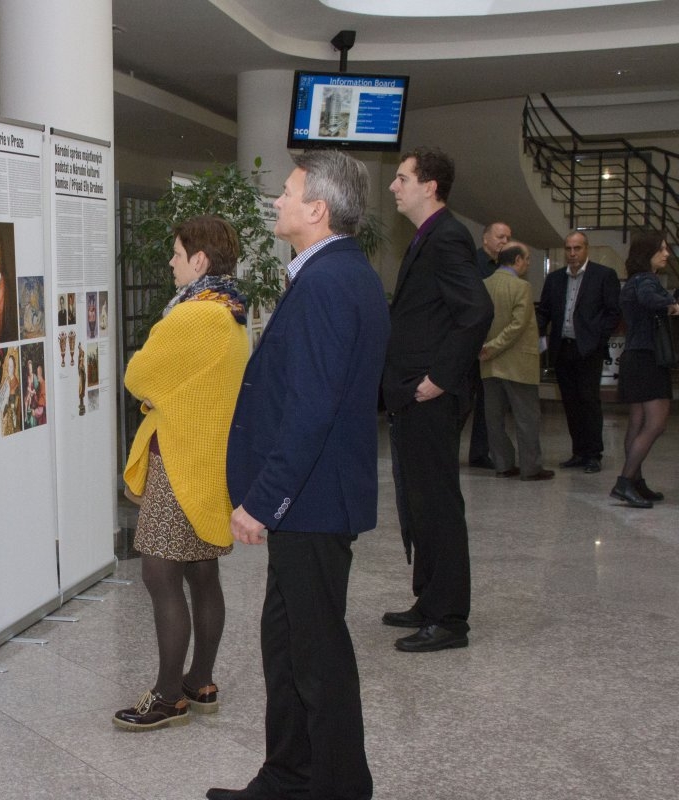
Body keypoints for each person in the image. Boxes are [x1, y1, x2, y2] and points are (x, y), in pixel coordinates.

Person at [209, 150, 387, 800]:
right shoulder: (330, 274)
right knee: (285, 646)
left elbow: (312, 406)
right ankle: (287, 776)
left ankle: (339, 788)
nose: (277, 202)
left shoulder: (330, 282)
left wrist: (263, 500)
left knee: (317, 657)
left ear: (316, 208)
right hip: (309, 503)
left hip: (309, 503)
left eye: (286, 193)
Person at [115, 215, 249, 732]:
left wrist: (157, 391)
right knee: (202, 571)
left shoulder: (195, 316)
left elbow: (138, 374)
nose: (170, 263)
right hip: (211, 460)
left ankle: (169, 695)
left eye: (175, 254)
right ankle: (201, 680)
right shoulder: (232, 310)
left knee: (160, 573)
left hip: (179, 459)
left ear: (199, 261)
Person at [382, 146, 493, 653]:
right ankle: (428, 600)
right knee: (420, 501)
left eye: (402, 178)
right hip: (412, 394)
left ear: (430, 186)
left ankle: (449, 618)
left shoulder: (447, 237)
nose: (394, 187)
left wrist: (438, 380)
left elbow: (476, 312)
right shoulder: (428, 237)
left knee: (439, 504)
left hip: (429, 395)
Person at [537, 231, 621, 473]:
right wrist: (536, 330)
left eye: (577, 249)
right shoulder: (554, 279)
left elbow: (613, 313)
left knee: (589, 400)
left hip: (588, 349)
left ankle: (593, 454)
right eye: (568, 249)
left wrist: (596, 338)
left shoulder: (603, 276)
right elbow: (544, 310)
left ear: (587, 250)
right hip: (562, 349)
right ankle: (578, 452)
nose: (572, 254)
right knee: (571, 402)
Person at [612, 231, 679, 507]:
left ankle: (636, 482)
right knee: (656, 423)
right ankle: (625, 481)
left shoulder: (635, 281)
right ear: (647, 252)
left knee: (638, 422)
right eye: (662, 249)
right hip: (648, 359)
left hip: (636, 357)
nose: (667, 254)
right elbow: (652, 301)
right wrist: (674, 306)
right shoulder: (646, 280)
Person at [480, 242, 553, 481]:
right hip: (517, 364)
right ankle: (530, 468)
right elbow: (518, 324)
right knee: (526, 418)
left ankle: (503, 464)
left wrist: (487, 348)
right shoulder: (522, 287)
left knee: (494, 419)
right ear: (517, 261)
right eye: (528, 259)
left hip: (488, 363)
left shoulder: (484, 285)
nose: (528, 263)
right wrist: (495, 346)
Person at [463, 220, 513, 470]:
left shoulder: (506, 267)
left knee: (487, 402)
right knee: (462, 400)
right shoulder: (473, 263)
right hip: (471, 342)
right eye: (500, 237)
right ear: (485, 239)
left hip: (493, 344)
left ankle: (480, 453)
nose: (504, 242)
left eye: (507, 238)